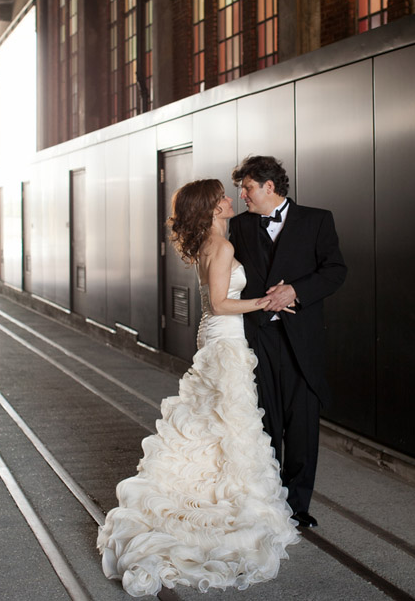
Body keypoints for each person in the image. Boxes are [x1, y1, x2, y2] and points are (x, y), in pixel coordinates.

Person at [97, 179, 299, 598]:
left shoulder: (209, 244)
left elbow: (213, 303)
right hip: (225, 341)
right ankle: (218, 499)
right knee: (231, 421)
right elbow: (222, 304)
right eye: (223, 197)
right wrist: (266, 301)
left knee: (210, 422)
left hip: (213, 338)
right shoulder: (221, 248)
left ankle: (205, 487)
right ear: (210, 206)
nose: (230, 200)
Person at [230, 156, 347, 528]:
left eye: (247, 188)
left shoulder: (317, 220)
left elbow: (335, 271)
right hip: (257, 337)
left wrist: (296, 291)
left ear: (269, 186)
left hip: (302, 340)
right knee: (264, 422)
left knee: (301, 426)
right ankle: (266, 503)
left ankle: (297, 508)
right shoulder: (237, 227)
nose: (243, 195)